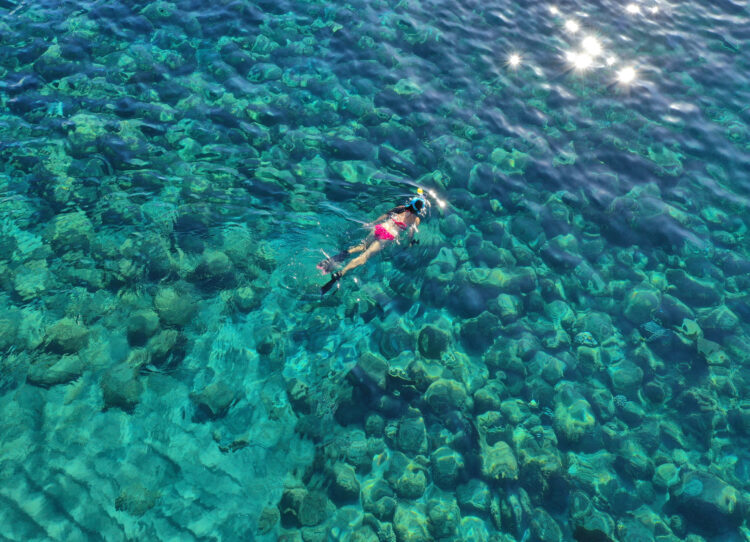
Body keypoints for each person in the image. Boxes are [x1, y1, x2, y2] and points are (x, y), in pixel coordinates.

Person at [318, 190, 428, 295]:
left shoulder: (401, 208)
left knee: (362, 246)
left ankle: (339, 257)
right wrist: (410, 244)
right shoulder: (416, 220)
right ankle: (341, 273)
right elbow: (410, 235)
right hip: (388, 236)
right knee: (364, 258)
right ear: (420, 210)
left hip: (379, 228)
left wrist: (372, 223)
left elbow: (385, 215)